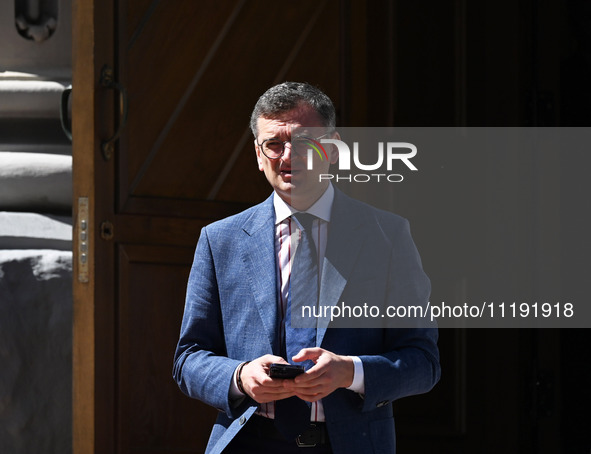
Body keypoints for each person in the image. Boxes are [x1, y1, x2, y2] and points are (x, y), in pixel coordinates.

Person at [173, 82, 440, 453]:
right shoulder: (221, 240)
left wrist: (350, 371)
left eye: (302, 143)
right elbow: (189, 359)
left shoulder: (388, 235)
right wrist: (239, 376)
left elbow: (423, 362)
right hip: (250, 442)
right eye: (274, 144)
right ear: (257, 152)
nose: (288, 157)